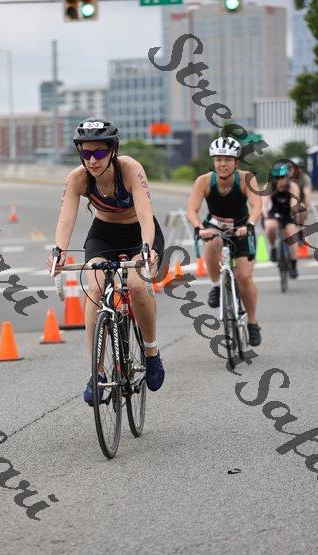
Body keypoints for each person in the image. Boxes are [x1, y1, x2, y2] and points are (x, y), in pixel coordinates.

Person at [46, 118, 165, 405]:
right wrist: (58, 251)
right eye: (86, 153)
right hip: (103, 235)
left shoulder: (130, 169)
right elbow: (66, 219)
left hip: (138, 233)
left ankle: (151, 353)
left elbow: (146, 214)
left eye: (99, 152)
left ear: (113, 151)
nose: (92, 160)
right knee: (96, 289)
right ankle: (97, 373)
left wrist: (147, 249)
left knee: (137, 286)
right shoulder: (78, 178)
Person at [186, 136, 262, 346]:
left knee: (244, 276)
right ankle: (216, 286)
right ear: (213, 161)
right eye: (218, 159)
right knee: (211, 241)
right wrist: (199, 228)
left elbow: (257, 205)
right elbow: (191, 209)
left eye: (227, 159)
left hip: (241, 228)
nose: (222, 164)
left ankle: (252, 322)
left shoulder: (246, 179)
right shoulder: (203, 181)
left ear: (236, 162)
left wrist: (250, 225)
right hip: (215, 227)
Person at [263, 163, 300, 278]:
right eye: (277, 178)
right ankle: (273, 248)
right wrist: (265, 214)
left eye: (282, 177)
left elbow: (294, 204)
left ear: (287, 176)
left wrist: (294, 213)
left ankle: (293, 265)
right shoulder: (269, 186)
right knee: (269, 226)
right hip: (274, 213)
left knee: (292, 236)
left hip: (288, 213)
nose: (280, 180)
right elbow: (264, 204)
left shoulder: (293, 187)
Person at [288, 156, 312, 243]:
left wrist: (307, 206)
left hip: (300, 202)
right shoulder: (286, 178)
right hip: (287, 202)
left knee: (302, 210)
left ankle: (301, 231)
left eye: (298, 167)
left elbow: (307, 193)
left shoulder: (305, 179)